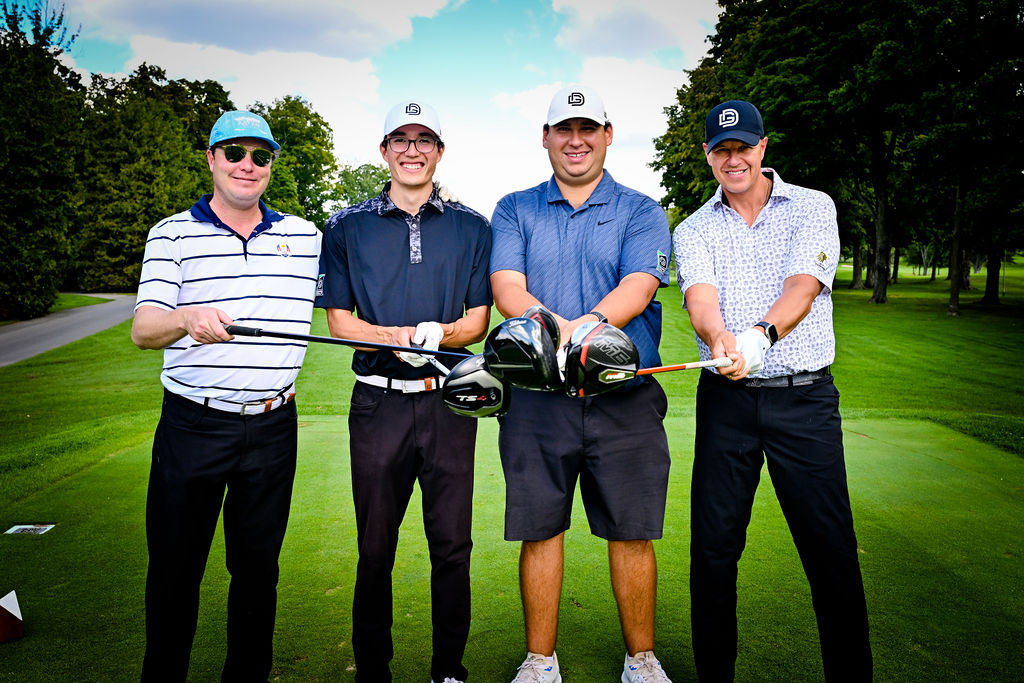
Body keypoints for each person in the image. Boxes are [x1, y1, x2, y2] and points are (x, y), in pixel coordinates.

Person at [673, 99, 872, 681]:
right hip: (727, 404)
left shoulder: (813, 206)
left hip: (802, 399)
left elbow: (804, 285)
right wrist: (718, 340)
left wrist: (760, 336)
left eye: (743, 147)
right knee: (713, 551)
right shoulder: (694, 227)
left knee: (829, 549)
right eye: (721, 149)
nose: (733, 159)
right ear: (709, 156)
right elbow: (701, 301)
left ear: (762, 148)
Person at [490, 85, 674, 683]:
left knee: (632, 531)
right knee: (541, 529)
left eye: (587, 129)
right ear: (545, 138)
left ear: (608, 134)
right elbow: (508, 290)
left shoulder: (642, 210)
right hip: (539, 401)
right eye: (563, 130)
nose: (576, 141)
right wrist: (556, 329)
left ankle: (640, 661)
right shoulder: (515, 207)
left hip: (624, 395)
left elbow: (638, 288)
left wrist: (580, 331)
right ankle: (540, 662)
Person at [131, 110, 322, 681]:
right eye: (235, 153)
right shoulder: (172, 233)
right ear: (212, 158)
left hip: (272, 426)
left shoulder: (305, 236)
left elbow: (358, 294)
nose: (247, 165)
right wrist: (185, 317)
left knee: (258, 571)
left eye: (260, 156)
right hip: (193, 425)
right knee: (173, 570)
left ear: (271, 166)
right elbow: (144, 330)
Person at [314, 100, 492, 683]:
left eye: (425, 139)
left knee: (452, 546)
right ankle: (374, 671)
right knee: (374, 549)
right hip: (377, 403)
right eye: (401, 138)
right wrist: (400, 335)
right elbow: (341, 322)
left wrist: (439, 335)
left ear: (440, 151)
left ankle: (449, 669)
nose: (412, 149)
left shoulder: (472, 226)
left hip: (447, 404)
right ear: (384, 149)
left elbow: (476, 321)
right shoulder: (346, 225)